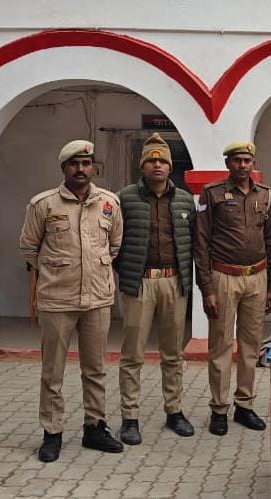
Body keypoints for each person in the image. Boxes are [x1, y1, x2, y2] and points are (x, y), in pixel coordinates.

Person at [19, 139, 124, 462]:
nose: (81, 169)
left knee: (96, 368)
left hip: (97, 298)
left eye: (86, 163)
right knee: (53, 371)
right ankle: (52, 433)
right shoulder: (44, 205)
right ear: (64, 168)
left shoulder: (109, 203)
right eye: (74, 164)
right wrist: (57, 271)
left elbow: (114, 245)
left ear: (93, 168)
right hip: (57, 300)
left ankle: (95, 427)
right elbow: (29, 248)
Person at [114, 133, 196, 444]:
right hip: (139, 284)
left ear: (170, 166)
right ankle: (130, 417)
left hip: (174, 282)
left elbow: (193, 242)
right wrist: (125, 270)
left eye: (162, 161)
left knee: (172, 353)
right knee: (132, 354)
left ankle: (174, 411)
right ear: (142, 165)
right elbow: (113, 240)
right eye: (151, 160)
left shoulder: (184, 200)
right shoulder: (125, 198)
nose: (157, 165)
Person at [194, 140, 271, 436]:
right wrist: (207, 288)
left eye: (247, 160)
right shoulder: (212, 193)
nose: (242, 165)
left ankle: (245, 405)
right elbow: (200, 242)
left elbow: (270, 241)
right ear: (227, 163)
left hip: (257, 276)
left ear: (253, 163)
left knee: (251, 344)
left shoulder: (265, 195)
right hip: (223, 276)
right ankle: (219, 408)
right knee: (221, 345)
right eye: (237, 160)